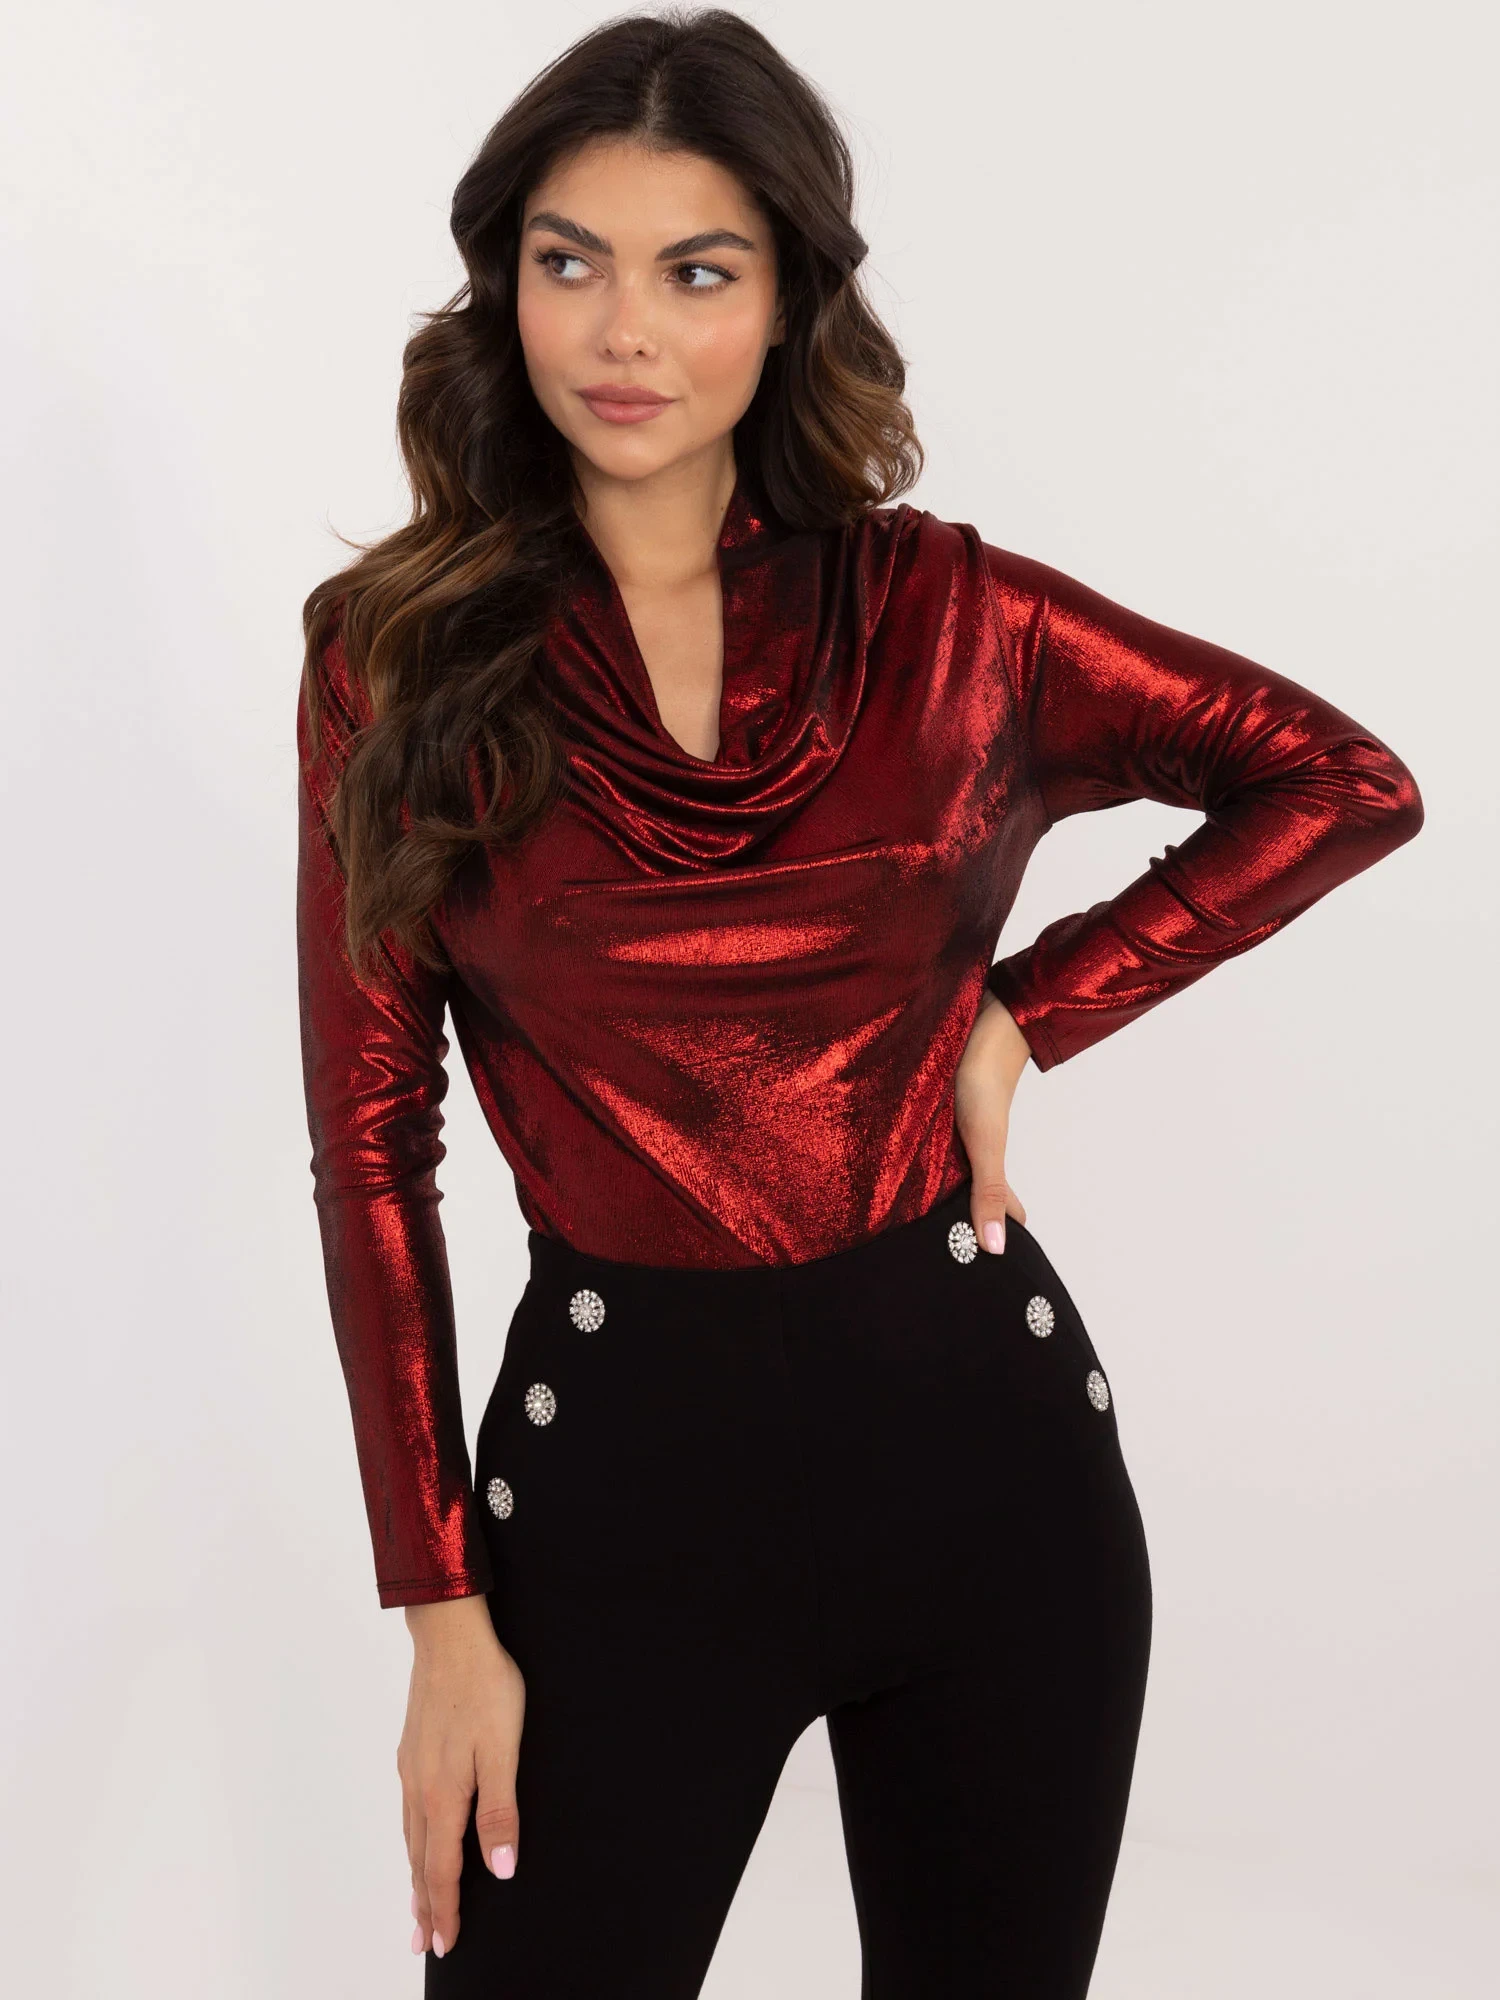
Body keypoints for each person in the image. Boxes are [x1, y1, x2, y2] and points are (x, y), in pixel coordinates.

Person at [294, 11, 1423, 1995]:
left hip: (993, 1482)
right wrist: (440, 1612)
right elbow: (373, 1147)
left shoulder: (957, 619)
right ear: (504, 284)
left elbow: (1341, 782)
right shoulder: (393, 661)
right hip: (614, 1509)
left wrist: (1028, 1014)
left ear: (790, 298)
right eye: (569, 262)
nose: (622, 334)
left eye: (695, 272)